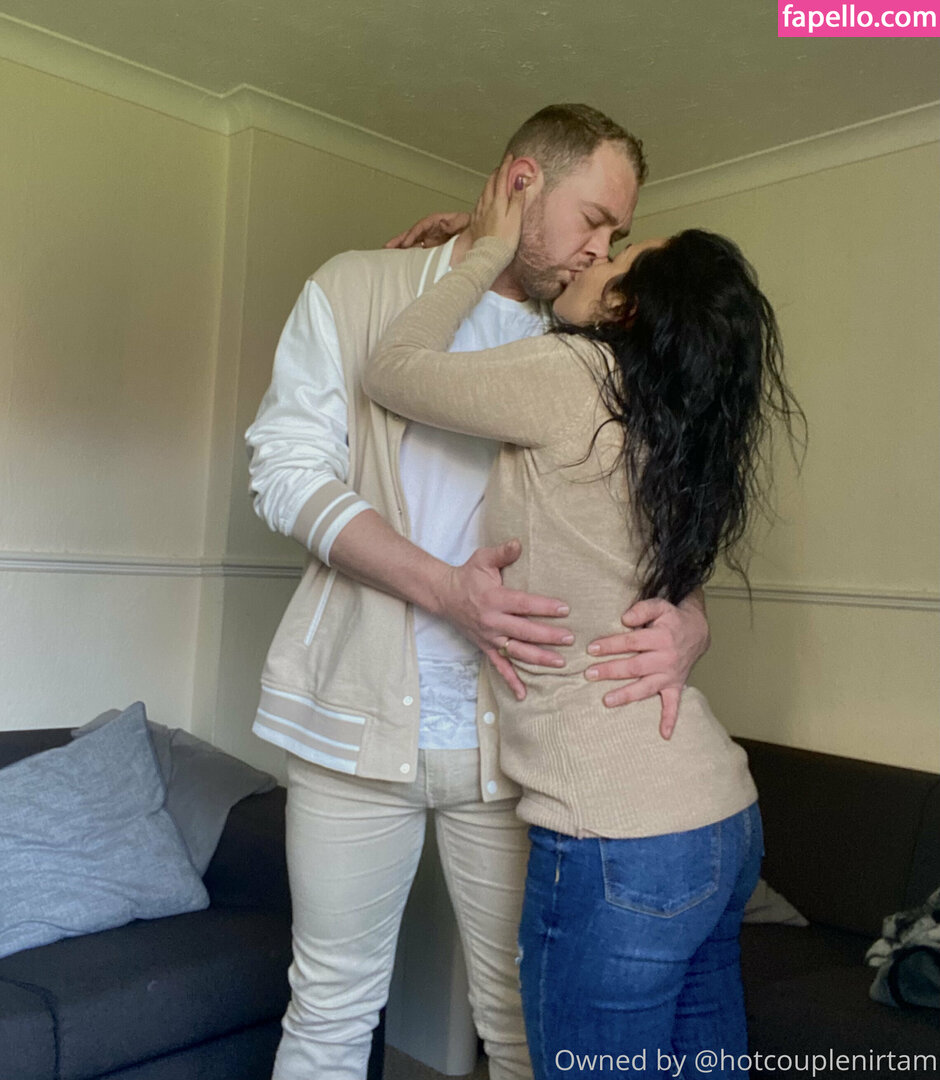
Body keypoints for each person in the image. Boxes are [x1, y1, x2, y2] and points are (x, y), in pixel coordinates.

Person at [245, 104, 711, 1080]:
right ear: (522, 181)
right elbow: (284, 472)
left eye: (618, 236)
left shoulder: (601, 335)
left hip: (526, 744)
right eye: (594, 220)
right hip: (353, 713)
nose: (601, 250)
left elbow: (657, 517)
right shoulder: (358, 288)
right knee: (329, 1007)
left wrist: (689, 620)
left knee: (525, 1020)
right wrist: (445, 592)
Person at [362, 156, 804, 1078]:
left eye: (619, 257)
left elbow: (392, 371)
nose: (594, 257)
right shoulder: (670, 418)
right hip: (723, 820)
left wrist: (485, 253)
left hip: (619, 838)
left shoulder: (575, 373)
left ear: (627, 310)